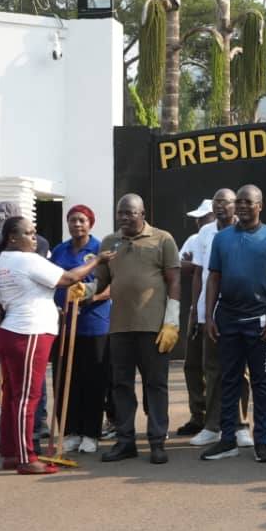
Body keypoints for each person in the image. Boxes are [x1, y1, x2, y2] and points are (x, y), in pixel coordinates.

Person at [0, 216, 113, 473]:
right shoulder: (27, 259)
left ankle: (11, 452)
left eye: (34, 233)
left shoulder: (0, 259)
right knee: (27, 397)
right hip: (29, 332)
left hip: (9, 330)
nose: (34, 238)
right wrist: (98, 262)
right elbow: (67, 278)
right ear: (12, 237)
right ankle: (26, 458)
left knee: (12, 394)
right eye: (28, 233)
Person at [86, 194, 181, 465]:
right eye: (120, 213)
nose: (124, 218)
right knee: (121, 385)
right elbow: (102, 281)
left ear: (142, 213)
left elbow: (174, 281)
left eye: (129, 213)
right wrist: (84, 289)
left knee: (156, 385)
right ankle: (125, 441)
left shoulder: (163, 239)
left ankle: (157, 442)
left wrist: (172, 321)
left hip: (153, 327)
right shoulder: (109, 242)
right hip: (119, 327)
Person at [200, 185, 266, 463]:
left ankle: (262, 441)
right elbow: (213, 278)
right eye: (239, 202)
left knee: (262, 383)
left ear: (260, 205)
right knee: (229, 380)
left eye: (248, 202)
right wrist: (209, 315)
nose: (242, 206)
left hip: (260, 322)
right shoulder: (221, 239)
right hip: (228, 319)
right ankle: (228, 440)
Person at [0, 201, 51, 449]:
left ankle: (37, 424)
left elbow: (41, 277)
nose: (5, 238)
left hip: (26, 322)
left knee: (29, 381)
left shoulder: (39, 243)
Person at [187, 189, 254, 449]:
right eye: (215, 202)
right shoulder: (205, 233)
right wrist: (196, 309)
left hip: (240, 312)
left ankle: (240, 426)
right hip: (209, 312)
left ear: (235, 206)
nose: (219, 207)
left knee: (240, 372)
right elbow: (198, 274)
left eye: (224, 202)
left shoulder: (247, 230)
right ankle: (212, 426)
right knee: (212, 369)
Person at [49, 205, 112, 454]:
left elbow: (113, 286)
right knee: (65, 379)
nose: (77, 225)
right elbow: (52, 281)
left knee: (93, 380)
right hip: (64, 324)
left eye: (82, 221)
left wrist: (92, 299)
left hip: (94, 324)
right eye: (73, 220)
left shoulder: (100, 249)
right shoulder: (59, 250)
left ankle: (91, 433)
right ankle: (70, 430)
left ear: (91, 224)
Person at [178, 199, 216, 437]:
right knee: (193, 365)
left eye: (203, 217)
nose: (198, 221)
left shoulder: (225, 235)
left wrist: (193, 263)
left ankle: (217, 420)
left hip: (221, 312)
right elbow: (179, 265)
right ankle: (198, 416)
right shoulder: (196, 238)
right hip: (198, 309)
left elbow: (195, 266)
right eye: (197, 218)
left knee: (214, 368)